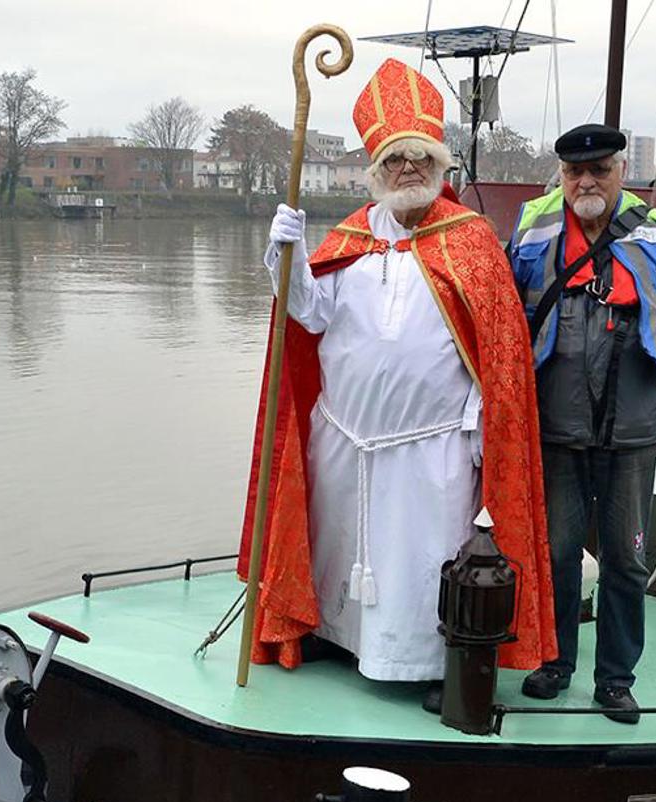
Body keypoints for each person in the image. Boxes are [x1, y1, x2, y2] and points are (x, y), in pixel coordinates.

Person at [237, 58, 556, 708]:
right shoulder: (349, 239)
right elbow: (310, 314)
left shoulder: (470, 244)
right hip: (344, 437)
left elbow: (495, 357)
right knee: (338, 547)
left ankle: (429, 664)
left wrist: (477, 428)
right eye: (392, 159)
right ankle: (329, 634)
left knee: (421, 561)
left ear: (441, 166)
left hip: (430, 444)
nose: (407, 169)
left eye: (419, 157)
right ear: (374, 168)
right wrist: (286, 258)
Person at [508, 123, 656, 724]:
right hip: (556, 429)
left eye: (600, 169)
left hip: (635, 433)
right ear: (562, 176)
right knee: (559, 554)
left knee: (625, 559)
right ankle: (554, 663)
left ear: (622, 170)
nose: (586, 181)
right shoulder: (531, 228)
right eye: (575, 172)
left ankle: (616, 680)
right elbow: (504, 330)